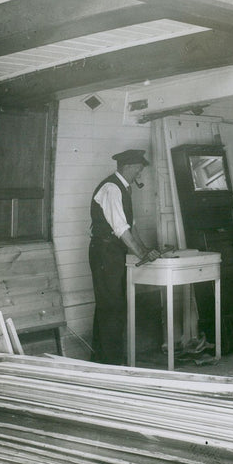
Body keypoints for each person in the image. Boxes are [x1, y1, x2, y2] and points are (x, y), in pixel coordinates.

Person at [89, 149, 160, 365]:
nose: (140, 174)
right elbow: (121, 229)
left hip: (112, 253)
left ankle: (102, 361)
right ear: (128, 167)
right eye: (138, 170)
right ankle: (112, 364)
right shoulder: (112, 188)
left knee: (109, 304)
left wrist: (145, 250)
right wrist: (140, 254)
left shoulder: (124, 189)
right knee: (112, 306)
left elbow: (131, 227)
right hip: (104, 252)